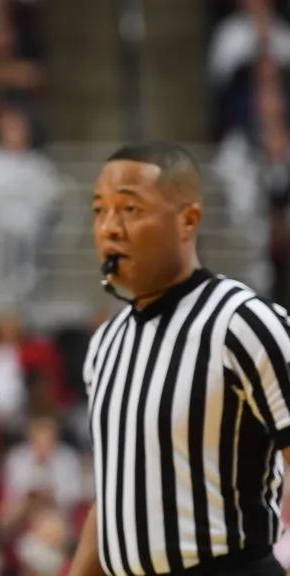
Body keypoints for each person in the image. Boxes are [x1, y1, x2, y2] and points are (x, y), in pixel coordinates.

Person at [68, 142, 290, 576]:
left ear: (188, 220)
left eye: (130, 209)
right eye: (99, 211)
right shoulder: (105, 345)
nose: (110, 228)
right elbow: (116, 494)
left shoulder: (244, 323)